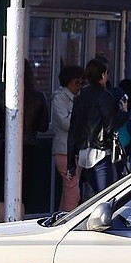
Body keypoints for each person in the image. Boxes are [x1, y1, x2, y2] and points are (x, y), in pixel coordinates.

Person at [0, 58, 50, 222]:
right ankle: (17, 228)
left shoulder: (4, 94)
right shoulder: (38, 97)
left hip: (4, 147)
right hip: (28, 148)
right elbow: (44, 126)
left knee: (2, 194)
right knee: (21, 195)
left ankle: (1, 229)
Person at [67, 57, 123, 200]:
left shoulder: (80, 96)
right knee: (106, 198)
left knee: (93, 197)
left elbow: (73, 129)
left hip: (84, 154)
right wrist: (124, 113)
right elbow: (110, 126)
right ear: (103, 75)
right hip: (101, 152)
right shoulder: (105, 95)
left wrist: (70, 164)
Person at [50, 63, 86, 212]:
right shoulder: (59, 98)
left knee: (68, 189)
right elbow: (65, 123)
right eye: (76, 82)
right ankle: (69, 220)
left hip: (77, 149)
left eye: (81, 83)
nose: (79, 86)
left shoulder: (79, 98)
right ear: (67, 82)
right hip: (64, 149)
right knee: (73, 190)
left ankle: (60, 218)